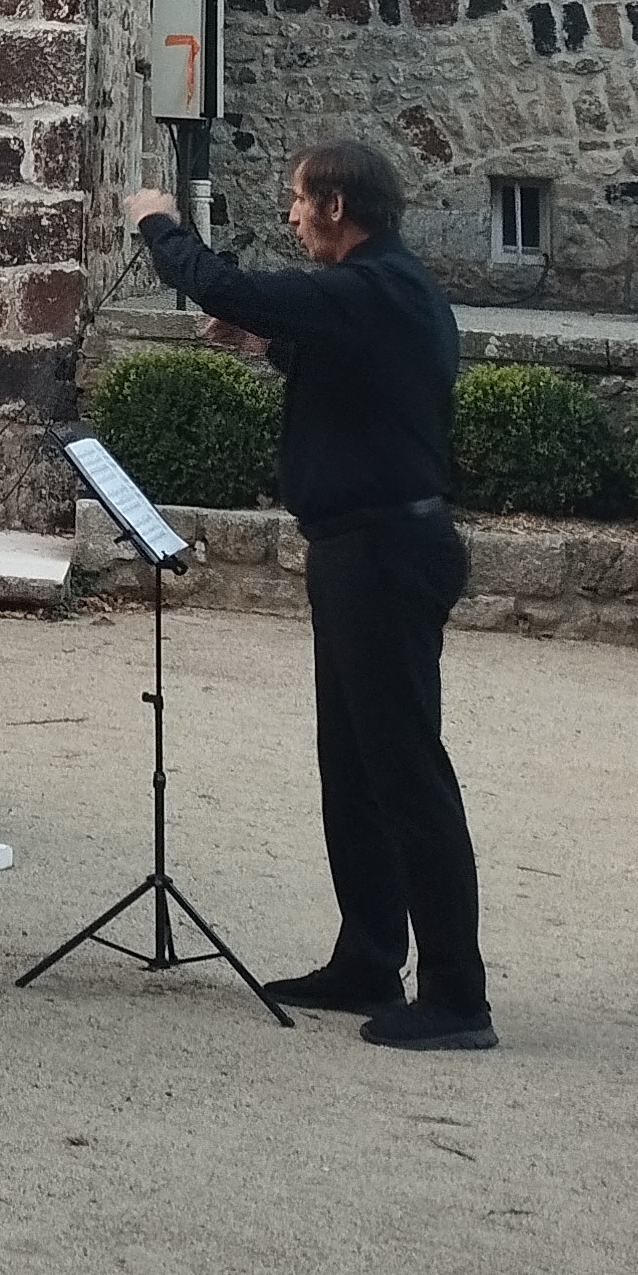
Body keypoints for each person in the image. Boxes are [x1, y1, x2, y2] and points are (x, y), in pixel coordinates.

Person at [129, 141, 494, 1051]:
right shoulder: (379, 296)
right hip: (358, 548)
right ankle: (370, 957)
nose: (290, 216)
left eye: (298, 202)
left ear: (335, 203)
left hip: (385, 550)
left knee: (406, 771)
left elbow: (228, 284)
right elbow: (353, 378)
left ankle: (457, 995)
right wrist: (269, 343)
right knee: (354, 766)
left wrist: (157, 223)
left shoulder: (379, 286)